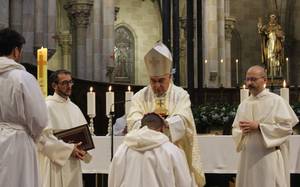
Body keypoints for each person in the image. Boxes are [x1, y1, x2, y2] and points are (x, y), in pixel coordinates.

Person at [127, 42, 205, 187]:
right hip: (146, 156)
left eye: (161, 81)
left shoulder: (181, 95)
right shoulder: (140, 96)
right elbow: (133, 120)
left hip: (173, 154)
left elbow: (184, 119)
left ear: (169, 76)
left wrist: (165, 124)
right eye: (153, 81)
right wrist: (149, 125)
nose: (156, 85)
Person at [232, 65, 298, 187]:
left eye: (254, 79)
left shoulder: (276, 101)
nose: (250, 83)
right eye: (248, 79)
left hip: (268, 156)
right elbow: (235, 129)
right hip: (248, 157)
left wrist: (259, 127)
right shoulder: (244, 104)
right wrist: (241, 131)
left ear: (265, 80)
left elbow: (286, 128)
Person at [0, 28, 48, 186]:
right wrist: (33, 135)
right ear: (15, 51)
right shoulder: (22, 78)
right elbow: (39, 118)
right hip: (18, 142)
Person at [109, 113, 193, 187]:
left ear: (141, 127)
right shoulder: (172, 151)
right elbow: (183, 182)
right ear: (163, 128)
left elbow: (113, 180)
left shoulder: (123, 149)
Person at [37, 69, 88, 187]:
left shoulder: (74, 108)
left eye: (70, 82)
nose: (69, 86)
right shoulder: (47, 106)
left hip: (74, 163)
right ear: (54, 85)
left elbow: (84, 134)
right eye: (64, 83)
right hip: (56, 163)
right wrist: (69, 149)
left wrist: (82, 149)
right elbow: (43, 139)